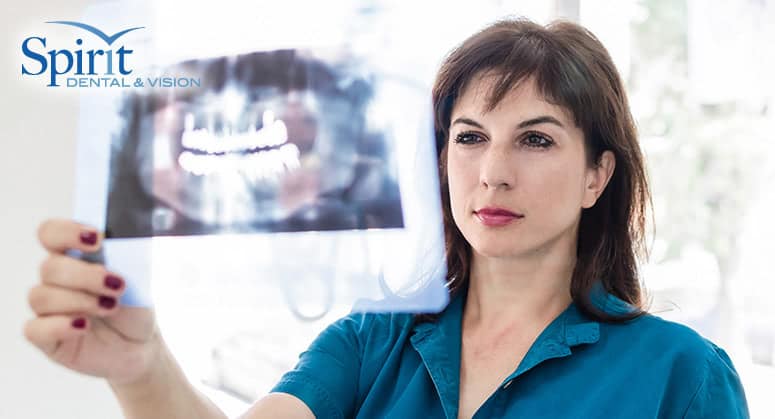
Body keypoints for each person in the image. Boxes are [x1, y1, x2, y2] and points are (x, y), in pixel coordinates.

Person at [24, 18, 749, 419]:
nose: (492, 171)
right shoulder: (372, 342)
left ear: (597, 174)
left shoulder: (680, 376)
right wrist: (141, 368)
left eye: (535, 138)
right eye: (468, 137)